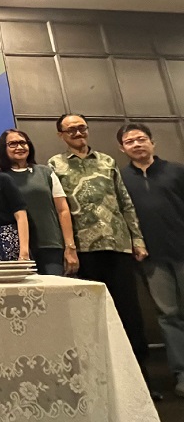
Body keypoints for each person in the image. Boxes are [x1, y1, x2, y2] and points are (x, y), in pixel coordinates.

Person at [48, 113, 158, 399]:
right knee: (90, 319)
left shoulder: (108, 161)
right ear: (61, 135)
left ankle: (141, 384)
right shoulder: (54, 165)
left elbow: (125, 202)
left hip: (117, 246)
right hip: (83, 251)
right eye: (70, 129)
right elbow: (57, 210)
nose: (77, 132)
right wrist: (67, 248)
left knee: (130, 315)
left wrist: (137, 239)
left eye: (81, 127)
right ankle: (99, 384)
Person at [117, 122, 184, 397]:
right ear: (122, 149)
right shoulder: (121, 178)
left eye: (141, 139)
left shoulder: (176, 171)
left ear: (152, 142)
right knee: (169, 315)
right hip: (151, 257)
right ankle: (181, 373)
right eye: (129, 141)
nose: (136, 144)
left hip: (182, 250)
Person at [0, 129, 79, 276]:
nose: (19, 147)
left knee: (55, 288)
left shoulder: (45, 172)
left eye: (23, 143)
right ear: (3, 148)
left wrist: (70, 246)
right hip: (14, 249)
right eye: (13, 144)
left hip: (50, 244)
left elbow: (63, 210)